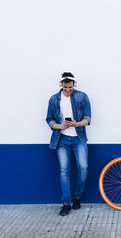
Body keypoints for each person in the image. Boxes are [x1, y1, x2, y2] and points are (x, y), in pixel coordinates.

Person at [46, 72, 92, 216]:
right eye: (65, 87)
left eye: (70, 87)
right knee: (64, 170)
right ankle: (66, 203)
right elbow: (49, 119)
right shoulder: (54, 99)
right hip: (62, 139)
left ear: (74, 84)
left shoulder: (82, 97)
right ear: (61, 85)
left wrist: (76, 123)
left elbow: (88, 118)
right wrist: (60, 126)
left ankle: (77, 197)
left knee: (83, 167)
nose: (68, 90)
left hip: (79, 138)